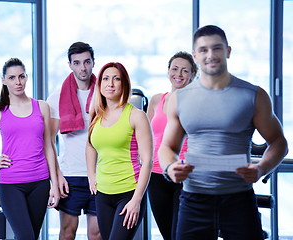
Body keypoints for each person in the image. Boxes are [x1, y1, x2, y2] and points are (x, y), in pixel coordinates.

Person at [158, 25, 288, 240]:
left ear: (228, 51)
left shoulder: (253, 95)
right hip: (193, 199)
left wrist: (261, 168)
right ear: (196, 55)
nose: (211, 55)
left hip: (238, 200)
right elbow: (167, 147)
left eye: (216, 48)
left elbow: (278, 142)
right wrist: (170, 167)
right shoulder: (179, 99)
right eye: (204, 50)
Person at [0, 58, 60, 240]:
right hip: (11, 184)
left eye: (21, 77)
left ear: (26, 77)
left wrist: (54, 183)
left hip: (40, 183)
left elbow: (48, 145)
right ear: (4, 80)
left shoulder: (42, 107)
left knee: (31, 236)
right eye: (12, 77)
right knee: (25, 237)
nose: (18, 82)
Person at [86, 62, 153, 240]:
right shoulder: (96, 114)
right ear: (99, 85)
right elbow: (90, 145)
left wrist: (137, 200)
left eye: (116, 79)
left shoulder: (136, 115)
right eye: (106, 79)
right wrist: (91, 175)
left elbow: (147, 161)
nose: (111, 84)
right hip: (103, 194)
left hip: (129, 192)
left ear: (124, 84)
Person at [46, 42, 101, 240]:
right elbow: (49, 142)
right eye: (77, 63)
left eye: (87, 62)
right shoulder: (57, 98)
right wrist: (57, 176)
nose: (83, 68)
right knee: (67, 232)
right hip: (71, 174)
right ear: (70, 65)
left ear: (93, 62)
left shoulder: (104, 94)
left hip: (100, 173)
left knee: (97, 233)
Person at [147, 51, 197, 240]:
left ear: (193, 75)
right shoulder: (156, 100)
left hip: (184, 175)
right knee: (167, 234)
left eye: (185, 71)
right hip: (156, 175)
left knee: (181, 234)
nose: (179, 74)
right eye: (175, 69)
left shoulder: (196, 102)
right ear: (168, 71)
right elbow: (146, 138)